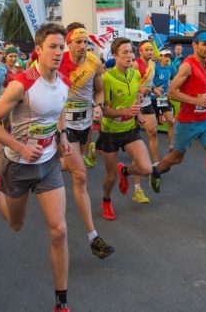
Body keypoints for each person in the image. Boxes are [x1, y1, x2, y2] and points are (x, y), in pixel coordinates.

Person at [0, 24, 73, 312]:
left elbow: (58, 110)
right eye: (53, 47)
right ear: (38, 50)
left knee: (59, 231)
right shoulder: (22, 84)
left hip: (48, 165)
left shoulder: (63, 82)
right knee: (16, 224)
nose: (58, 52)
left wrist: (62, 136)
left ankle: (61, 302)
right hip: (18, 166)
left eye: (62, 47)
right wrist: (21, 148)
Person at [150, 31, 206, 230]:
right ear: (195, 44)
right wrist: (197, 101)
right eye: (204, 44)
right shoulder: (187, 65)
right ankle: (156, 170)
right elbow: (172, 92)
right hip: (187, 122)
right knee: (176, 158)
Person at [57, 24, 114, 259]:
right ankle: (93, 237)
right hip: (62, 123)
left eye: (86, 42)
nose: (83, 46)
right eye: (78, 42)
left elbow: (98, 91)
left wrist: (98, 106)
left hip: (84, 122)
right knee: (80, 174)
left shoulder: (93, 62)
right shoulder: (58, 61)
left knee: (69, 165)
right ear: (68, 44)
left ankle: (46, 163)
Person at [97, 37, 154, 220]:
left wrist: (138, 114)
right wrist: (124, 111)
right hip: (110, 132)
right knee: (110, 177)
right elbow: (104, 111)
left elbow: (136, 96)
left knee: (146, 169)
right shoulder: (107, 78)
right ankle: (106, 200)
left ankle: (126, 171)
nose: (130, 55)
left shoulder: (135, 74)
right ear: (115, 56)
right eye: (125, 52)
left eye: (131, 51)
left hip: (130, 130)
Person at [133, 40, 160, 201]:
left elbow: (150, 82)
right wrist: (140, 89)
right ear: (140, 51)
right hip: (135, 103)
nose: (150, 52)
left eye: (151, 49)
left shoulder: (152, 65)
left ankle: (156, 166)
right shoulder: (136, 65)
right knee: (136, 140)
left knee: (153, 132)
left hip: (148, 102)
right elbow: (132, 83)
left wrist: (154, 89)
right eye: (147, 50)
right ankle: (136, 185)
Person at [154, 49, 176, 151]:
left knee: (171, 121)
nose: (167, 58)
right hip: (152, 98)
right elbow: (148, 80)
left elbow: (175, 79)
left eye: (169, 57)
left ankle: (172, 145)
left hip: (163, 98)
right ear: (161, 57)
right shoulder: (154, 67)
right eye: (165, 56)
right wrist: (155, 89)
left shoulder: (170, 68)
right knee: (152, 127)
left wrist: (170, 90)